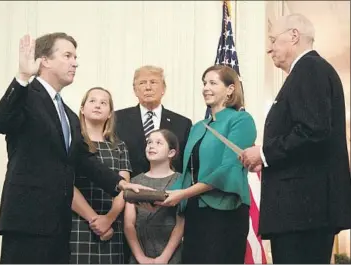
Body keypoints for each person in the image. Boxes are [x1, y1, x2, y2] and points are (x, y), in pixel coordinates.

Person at [0, 33, 149, 264]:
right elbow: (1, 122)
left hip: (59, 223)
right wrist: (22, 77)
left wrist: (121, 185)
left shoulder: (67, 114)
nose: (75, 62)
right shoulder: (26, 95)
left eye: (75, 57)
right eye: (67, 55)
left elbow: (85, 160)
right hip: (27, 220)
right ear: (44, 60)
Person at [240, 14, 351, 264]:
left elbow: (313, 130)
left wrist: (265, 153)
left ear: (293, 36)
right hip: (302, 209)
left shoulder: (310, 68)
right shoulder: (308, 71)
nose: (269, 48)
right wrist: (268, 160)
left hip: (302, 210)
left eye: (273, 40)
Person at [158, 65, 257, 263]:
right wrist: (161, 198)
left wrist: (184, 194)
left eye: (213, 83)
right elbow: (187, 173)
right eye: (204, 83)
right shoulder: (197, 127)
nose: (206, 88)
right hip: (195, 213)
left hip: (225, 212)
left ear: (230, 89)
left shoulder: (241, 120)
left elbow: (228, 169)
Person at [69, 87, 132, 263]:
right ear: (82, 108)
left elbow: (124, 187)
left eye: (103, 103)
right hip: (78, 222)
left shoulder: (119, 146)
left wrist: (108, 219)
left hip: (112, 226)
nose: (98, 106)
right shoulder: (73, 142)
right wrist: (94, 220)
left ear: (110, 113)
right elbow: (66, 183)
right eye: (92, 101)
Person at [115, 65, 192, 178]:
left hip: (171, 190)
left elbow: (186, 164)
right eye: (142, 83)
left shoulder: (182, 123)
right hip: (128, 189)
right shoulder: (117, 119)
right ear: (135, 90)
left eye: (153, 82)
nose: (148, 87)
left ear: (164, 89)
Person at [124, 129, 184, 264]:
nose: (151, 146)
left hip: (171, 254)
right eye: (149, 142)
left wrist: (164, 258)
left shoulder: (180, 181)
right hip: (139, 253)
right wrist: (140, 257)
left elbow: (180, 224)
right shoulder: (135, 182)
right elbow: (129, 224)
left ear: (171, 152)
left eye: (158, 143)